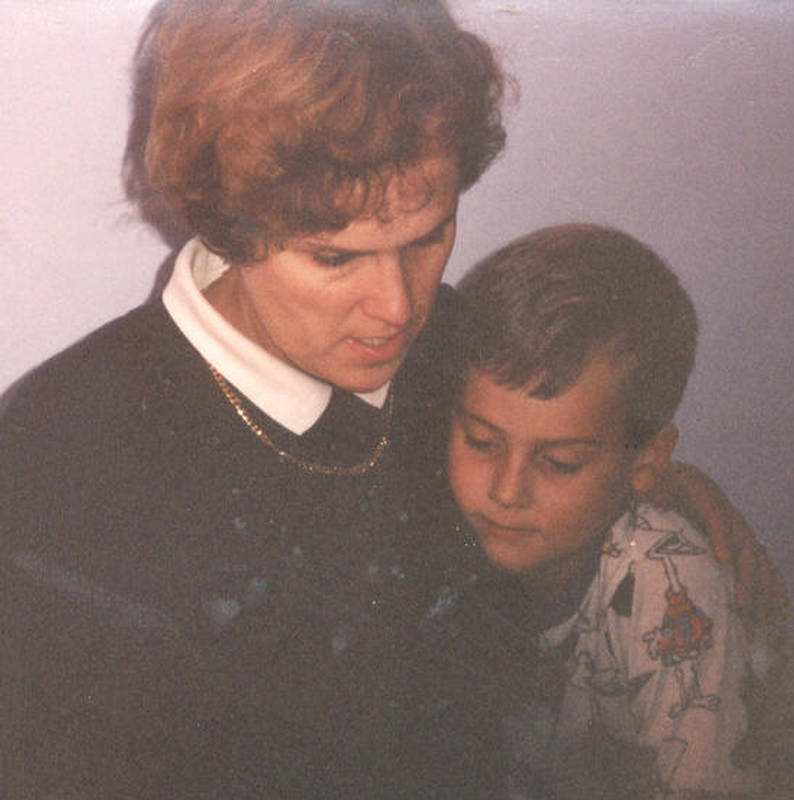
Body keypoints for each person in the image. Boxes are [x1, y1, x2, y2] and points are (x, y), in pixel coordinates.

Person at [0, 2, 779, 798]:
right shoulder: (61, 465)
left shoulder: (453, 348)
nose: (399, 308)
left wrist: (664, 486)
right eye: (335, 258)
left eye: (429, 236)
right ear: (227, 223)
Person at [447, 224, 764, 797]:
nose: (506, 491)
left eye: (560, 462)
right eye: (481, 441)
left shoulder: (672, 587)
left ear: (647, 462)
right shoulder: (435, 516)